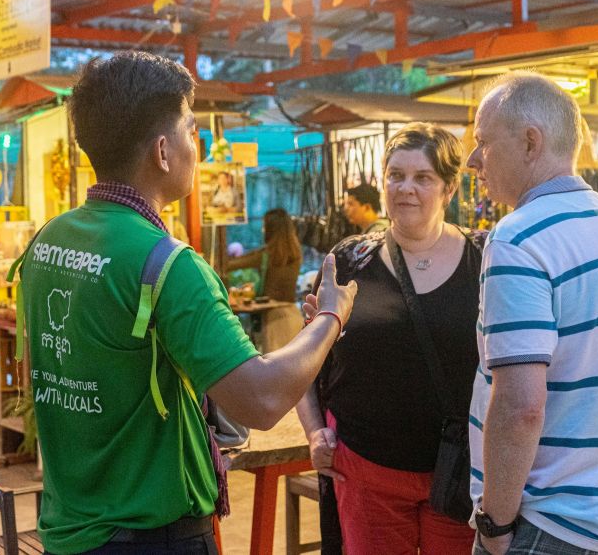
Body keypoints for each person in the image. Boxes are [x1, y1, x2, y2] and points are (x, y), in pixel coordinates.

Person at [18, 51, 357, 555]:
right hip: (151, 538)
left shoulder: (45, 243)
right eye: (191, 131)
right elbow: (260, 400)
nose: (195, 148)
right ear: (162, 151)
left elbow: (37, 371)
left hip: (68, 530)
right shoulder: (168, 266)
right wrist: (330, 318)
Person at [465, 71, 598, 555]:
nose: (472, 161)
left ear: (531, 142)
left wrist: (495, 523)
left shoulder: (517, 238)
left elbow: (520, 406)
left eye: (483, 143)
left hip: (549, 522)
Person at [296, 122, 482, 555]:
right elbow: (306, 356)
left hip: (458, 472)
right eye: (395, 175)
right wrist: (314, 433)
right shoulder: (349, 260)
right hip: (366, 468)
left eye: (423, 178)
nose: (406, 188)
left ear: (449, 188)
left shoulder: (484, 260)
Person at [225, 208, 302, 303]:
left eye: (264, 226)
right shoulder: (296, 253)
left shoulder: (267, 255)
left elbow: (229, 265)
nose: (262, 230)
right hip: (291, 310)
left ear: (270, 230)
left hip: (271, 312)